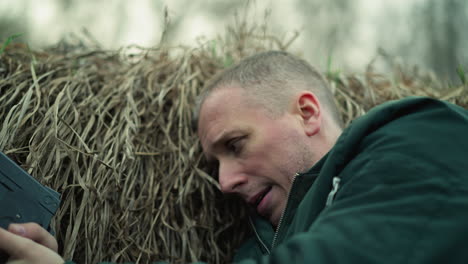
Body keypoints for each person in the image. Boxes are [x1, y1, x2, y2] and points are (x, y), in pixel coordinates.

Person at [1, 50, 468, 263]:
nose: (223, 183)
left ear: (306, 113)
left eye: (235, 145)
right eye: (215, 163)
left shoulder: (419, 132)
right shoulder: (256, 248)